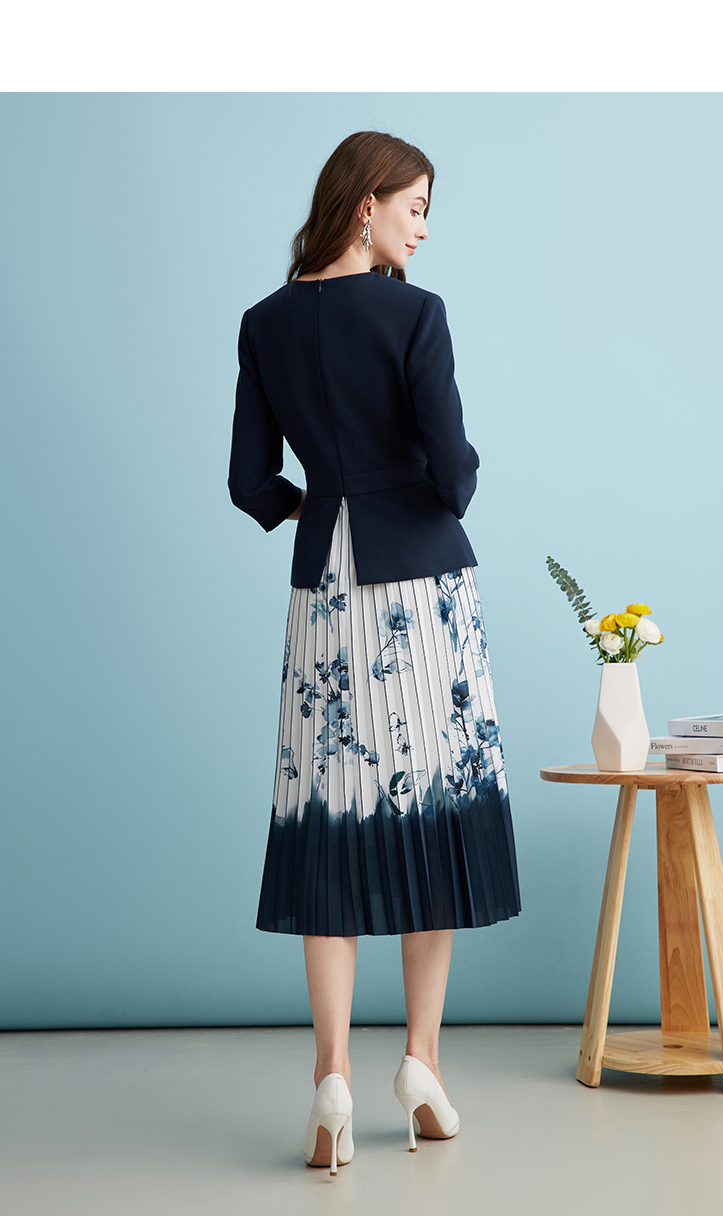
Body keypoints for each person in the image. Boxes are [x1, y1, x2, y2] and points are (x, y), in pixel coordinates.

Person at [228, 130, 521, 1176]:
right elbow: (454, 475)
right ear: (367, 206)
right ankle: (422, 1064)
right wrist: (447, 470)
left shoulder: (264, 323)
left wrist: (322, 506)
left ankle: (331, 1080)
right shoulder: (415, 314)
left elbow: (250, 485)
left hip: (324, 588)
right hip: (422, 590)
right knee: (432, 810)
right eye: (416, 207)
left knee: (331, 818)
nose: (423, 228)